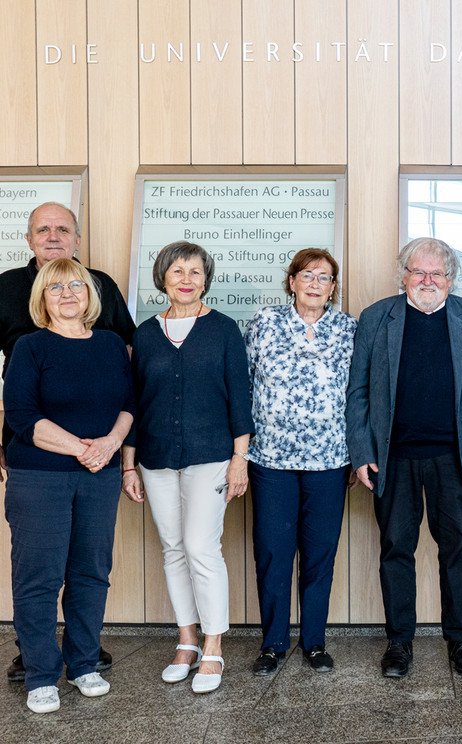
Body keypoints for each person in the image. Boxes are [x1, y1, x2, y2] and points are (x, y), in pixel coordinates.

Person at [346, 238, 462, 678]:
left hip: (454, 458)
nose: (428, 281)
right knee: (396, 548)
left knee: (458, 549)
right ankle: (399, 643)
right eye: (419, 272)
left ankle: (461, 641)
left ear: (451, 279)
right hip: (392, 459)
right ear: (404, 275)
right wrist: (361, 452)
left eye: (438, 274)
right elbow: (357, 391)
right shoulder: (377, 318)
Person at [0, 202, 133, 682]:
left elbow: (130, 398)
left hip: (99, 474)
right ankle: (39, 672)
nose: (67, 292)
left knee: (90, 574)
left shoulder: (111, 344)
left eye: (75, 283)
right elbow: (20, 414)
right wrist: (85, 448)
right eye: (55, 286)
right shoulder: (29, 346)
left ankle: (83, 663)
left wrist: (112, 446)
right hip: (40, 472)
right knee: (39, 576)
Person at [121, 241, 254, 694]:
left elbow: (241, 397)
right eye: (177, 270)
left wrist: (240, 459)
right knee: (173, 549)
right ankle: (186, 641)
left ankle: (214, 645)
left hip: (212, 456)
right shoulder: (143, 334)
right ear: (162, 278)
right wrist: (128, 465)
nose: (186, 278)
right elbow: (134, 403)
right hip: (155, 458)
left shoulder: (223, 330)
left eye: (195, 272)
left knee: (201, 547)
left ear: (205, 280)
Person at [244, 248, 356, 676]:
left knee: (318, 553)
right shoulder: (265, 323)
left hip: (329, 459)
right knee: (273, 551)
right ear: (291, 281)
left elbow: (356, 394)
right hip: (271, 458)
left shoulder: (348, 329)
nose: (315, 283)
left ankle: (314, 642)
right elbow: (246, 384)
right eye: (307, 275)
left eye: (324, 277)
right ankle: (272, 643)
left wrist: (356, 455)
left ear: (333, 287)